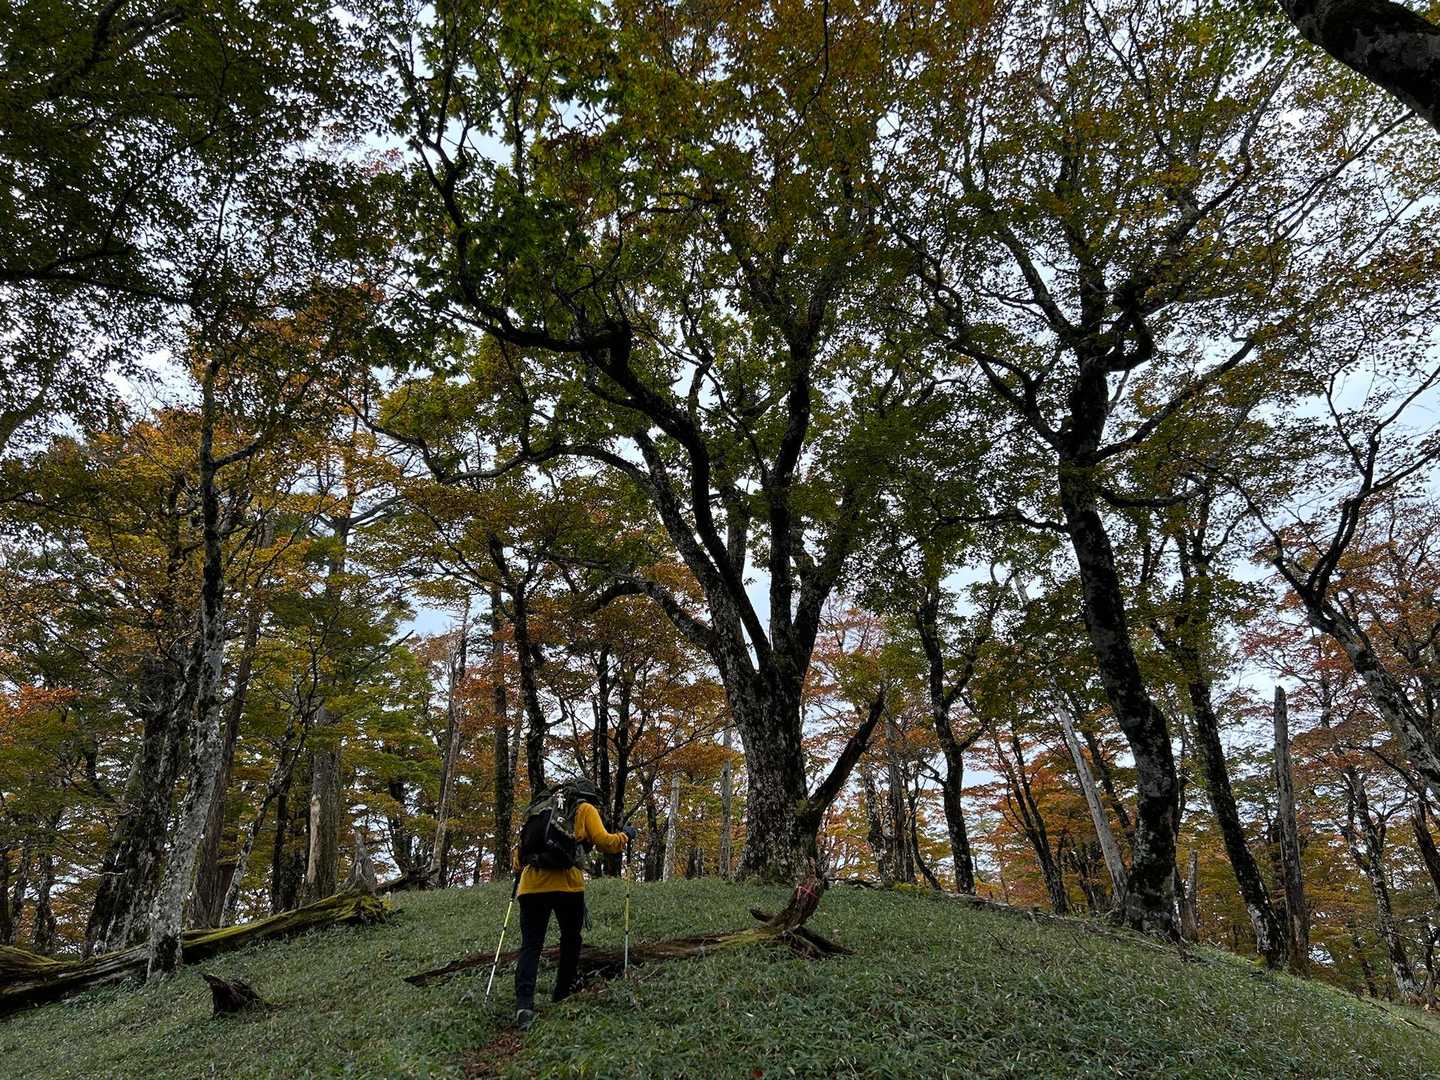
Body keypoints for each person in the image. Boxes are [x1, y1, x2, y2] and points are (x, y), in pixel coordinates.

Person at [513, 778, 635, 1030]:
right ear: (588, 797)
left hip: (531, 886)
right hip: (568, 886)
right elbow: (606, 842)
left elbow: (519, 856)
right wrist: (626, 835)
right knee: (570, 940)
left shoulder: (539, 809)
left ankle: (524, 1005)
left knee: (531, 946)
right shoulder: (584, 809)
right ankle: (561, 993)